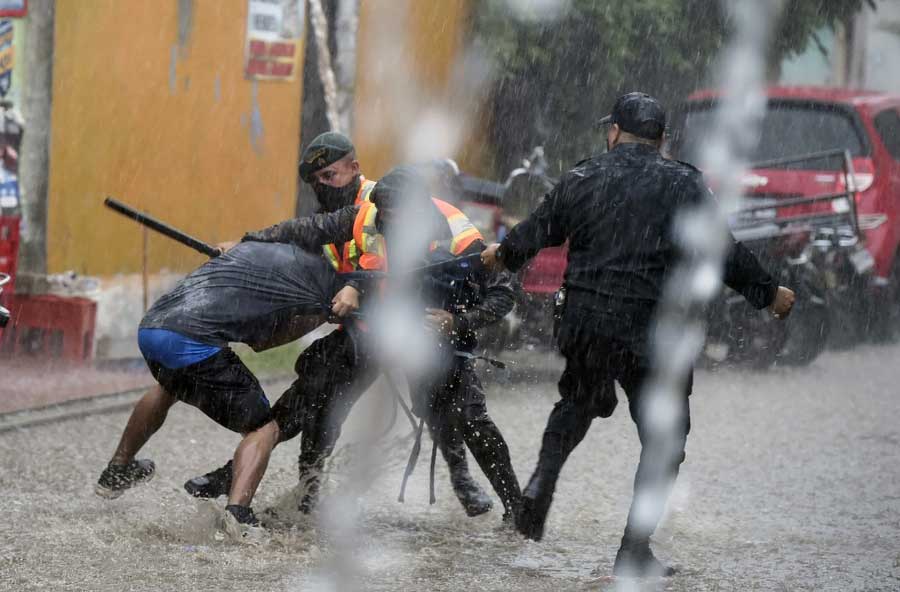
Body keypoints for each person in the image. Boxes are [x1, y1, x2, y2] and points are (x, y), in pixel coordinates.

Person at [481, 92, 796, 577]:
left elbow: (538, 230)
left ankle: (540, 486)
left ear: (614, 133)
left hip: (585, 321)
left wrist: (501, 255)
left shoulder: (582, 176)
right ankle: (633, 551)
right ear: (662, 139)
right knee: (664, 438)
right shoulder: (685, 183)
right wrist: (768, 292)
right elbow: (722, 251)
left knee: (577, 403)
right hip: (652, 330)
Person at [94, 242, 357, 528]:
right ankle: (238, 515)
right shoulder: (306, 283)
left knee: (171, 387)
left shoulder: (249, 251)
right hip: (193, 342)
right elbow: (262, 343)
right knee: (264, 428)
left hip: (152, 328)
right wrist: (319, 317)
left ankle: (118, 469)